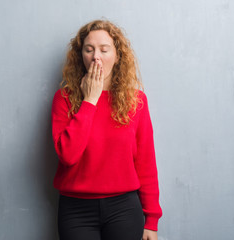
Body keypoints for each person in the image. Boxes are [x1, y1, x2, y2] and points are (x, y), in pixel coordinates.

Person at [51, 20, 162, 240]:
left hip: (124, 208)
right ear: (80, 55)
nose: (96, 57)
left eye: (104, 49)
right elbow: (68, 155)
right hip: (76, 210)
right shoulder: (64, 99)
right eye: (89, 49)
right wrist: (90, 101)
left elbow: (146, 163)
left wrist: (151, 220)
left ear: (117, 55)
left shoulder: (136, 101)